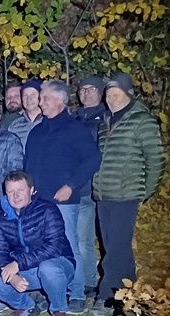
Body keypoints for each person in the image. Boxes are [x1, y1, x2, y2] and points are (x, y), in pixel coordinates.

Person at [24, 80, 101, 314]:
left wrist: (70, 185)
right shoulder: (37, 131)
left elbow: (92, 158)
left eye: (44, 98)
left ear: (59, 100)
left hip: (63, 201)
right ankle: (47, 292)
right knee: (39, 246)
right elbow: (28, 164)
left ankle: (76, 293)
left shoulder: (73, 128)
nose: (40, 102)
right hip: (38, 202)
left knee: (69, 245)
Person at [92, 72, 164, 315]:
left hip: (126, 194)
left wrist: (145, 191)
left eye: (116, 94)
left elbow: (155, 159)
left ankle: (106, 297)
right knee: (113, 246)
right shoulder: (105, 122)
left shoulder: (142, 121)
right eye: (108, 95)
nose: (111, 99)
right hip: (104, 195)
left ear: (129, 94)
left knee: (116, 248)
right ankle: (129, 296)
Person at [0, 171, 76, 316]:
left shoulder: (48, 210)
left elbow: (54, 247)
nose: (15, 196)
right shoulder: (2, 218)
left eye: (20, 190)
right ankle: (26, 306)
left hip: (59, 264)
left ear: (31, 190)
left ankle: (59, 311)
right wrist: (12, 275)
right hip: (27, 269)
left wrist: (18, 263)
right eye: (10, 192)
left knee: (48, 268)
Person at [73, 75, 107, 299]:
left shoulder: (106, 118)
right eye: (82, 89)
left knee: (84, 238)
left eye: (92, 89)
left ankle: (90, 282)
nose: (86, 93)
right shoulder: (74, 118)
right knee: (76, 237)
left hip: (92, 188)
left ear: (100, 92)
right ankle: (82, 280)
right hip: (73, 188)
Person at [8, 80, 43, 148]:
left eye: (33, 95)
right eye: (25, 95)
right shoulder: (14, 126)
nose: (29, 99)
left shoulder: (50, 122)